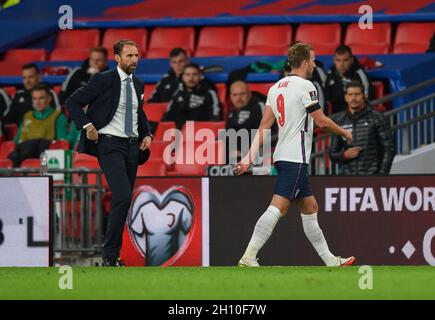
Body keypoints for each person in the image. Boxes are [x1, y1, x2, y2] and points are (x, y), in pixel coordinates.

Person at [234, 42, 355, 267]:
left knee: (310, 207)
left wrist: (248, 157)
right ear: (305, 62)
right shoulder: (306, 86)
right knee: (278, 207)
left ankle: (330, 261)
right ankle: (249, 255)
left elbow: (264, 126)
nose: (315, 64)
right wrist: (344, 132)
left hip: (282, 156)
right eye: (313, 60)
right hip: (295, 158)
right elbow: (321, 121)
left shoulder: (275, 88)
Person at [66, 39, 153, 267]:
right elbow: (73, 102)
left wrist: (148, 134)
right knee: (123, 196)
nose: (134, 60)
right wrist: (87, 126)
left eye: (136, 55)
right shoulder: (103, 80)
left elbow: (138, 113)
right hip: (110, 144)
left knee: (123, 200)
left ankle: (111, 256)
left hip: (132, 147)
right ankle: (109, 255)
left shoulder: (139, 84)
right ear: (117, 58)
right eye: (129, 56)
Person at [329, 80, 395, 175]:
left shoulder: (377, 118)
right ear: (346, 98)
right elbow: (332, 153)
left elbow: (389, 149)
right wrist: (344, 155)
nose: (353, 98)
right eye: (350, 95)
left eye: (357, 94)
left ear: (364, 96)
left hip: (373, 177)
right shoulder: (339, 121)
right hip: (348, 180)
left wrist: (382, 175)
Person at [8, 84, 68, 167]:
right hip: (24, 151)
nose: (37, 102)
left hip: (45, 152)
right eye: (35, 98)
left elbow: (61, 142)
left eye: (41, 98)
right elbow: (17, 141)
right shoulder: (27, 116)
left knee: (38, 146)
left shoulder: (58, 117)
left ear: (49, 99)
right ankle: (11, 175)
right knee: (14, 155)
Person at [162, 63, 220, 129]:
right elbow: (166, 117)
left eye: (194, 74)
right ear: (183, 77)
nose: (191, 78)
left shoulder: (209, 93)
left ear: (200, 76)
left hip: (201, 133)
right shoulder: (178, 93)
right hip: (178, 133)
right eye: (187, 75)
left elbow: (215, 117)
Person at [324, 45, 371, 114]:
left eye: (345, 60)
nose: (341, 64)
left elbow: (366, 96)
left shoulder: (359, 73)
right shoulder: (331, 73)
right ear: (334, 60)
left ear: (351, 60)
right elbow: (326, 96)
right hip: (334, 114)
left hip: (355, 113)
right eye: (338, 60)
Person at [226, 80, 264, 162]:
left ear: (249, 94)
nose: (238, 98)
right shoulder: (232, 113)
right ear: (231, 97)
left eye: (242, 94)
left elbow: (264, 133)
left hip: (256, 154)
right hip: (234, 155)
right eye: (235, 95)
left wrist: (244, 152)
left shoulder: (259, 107)